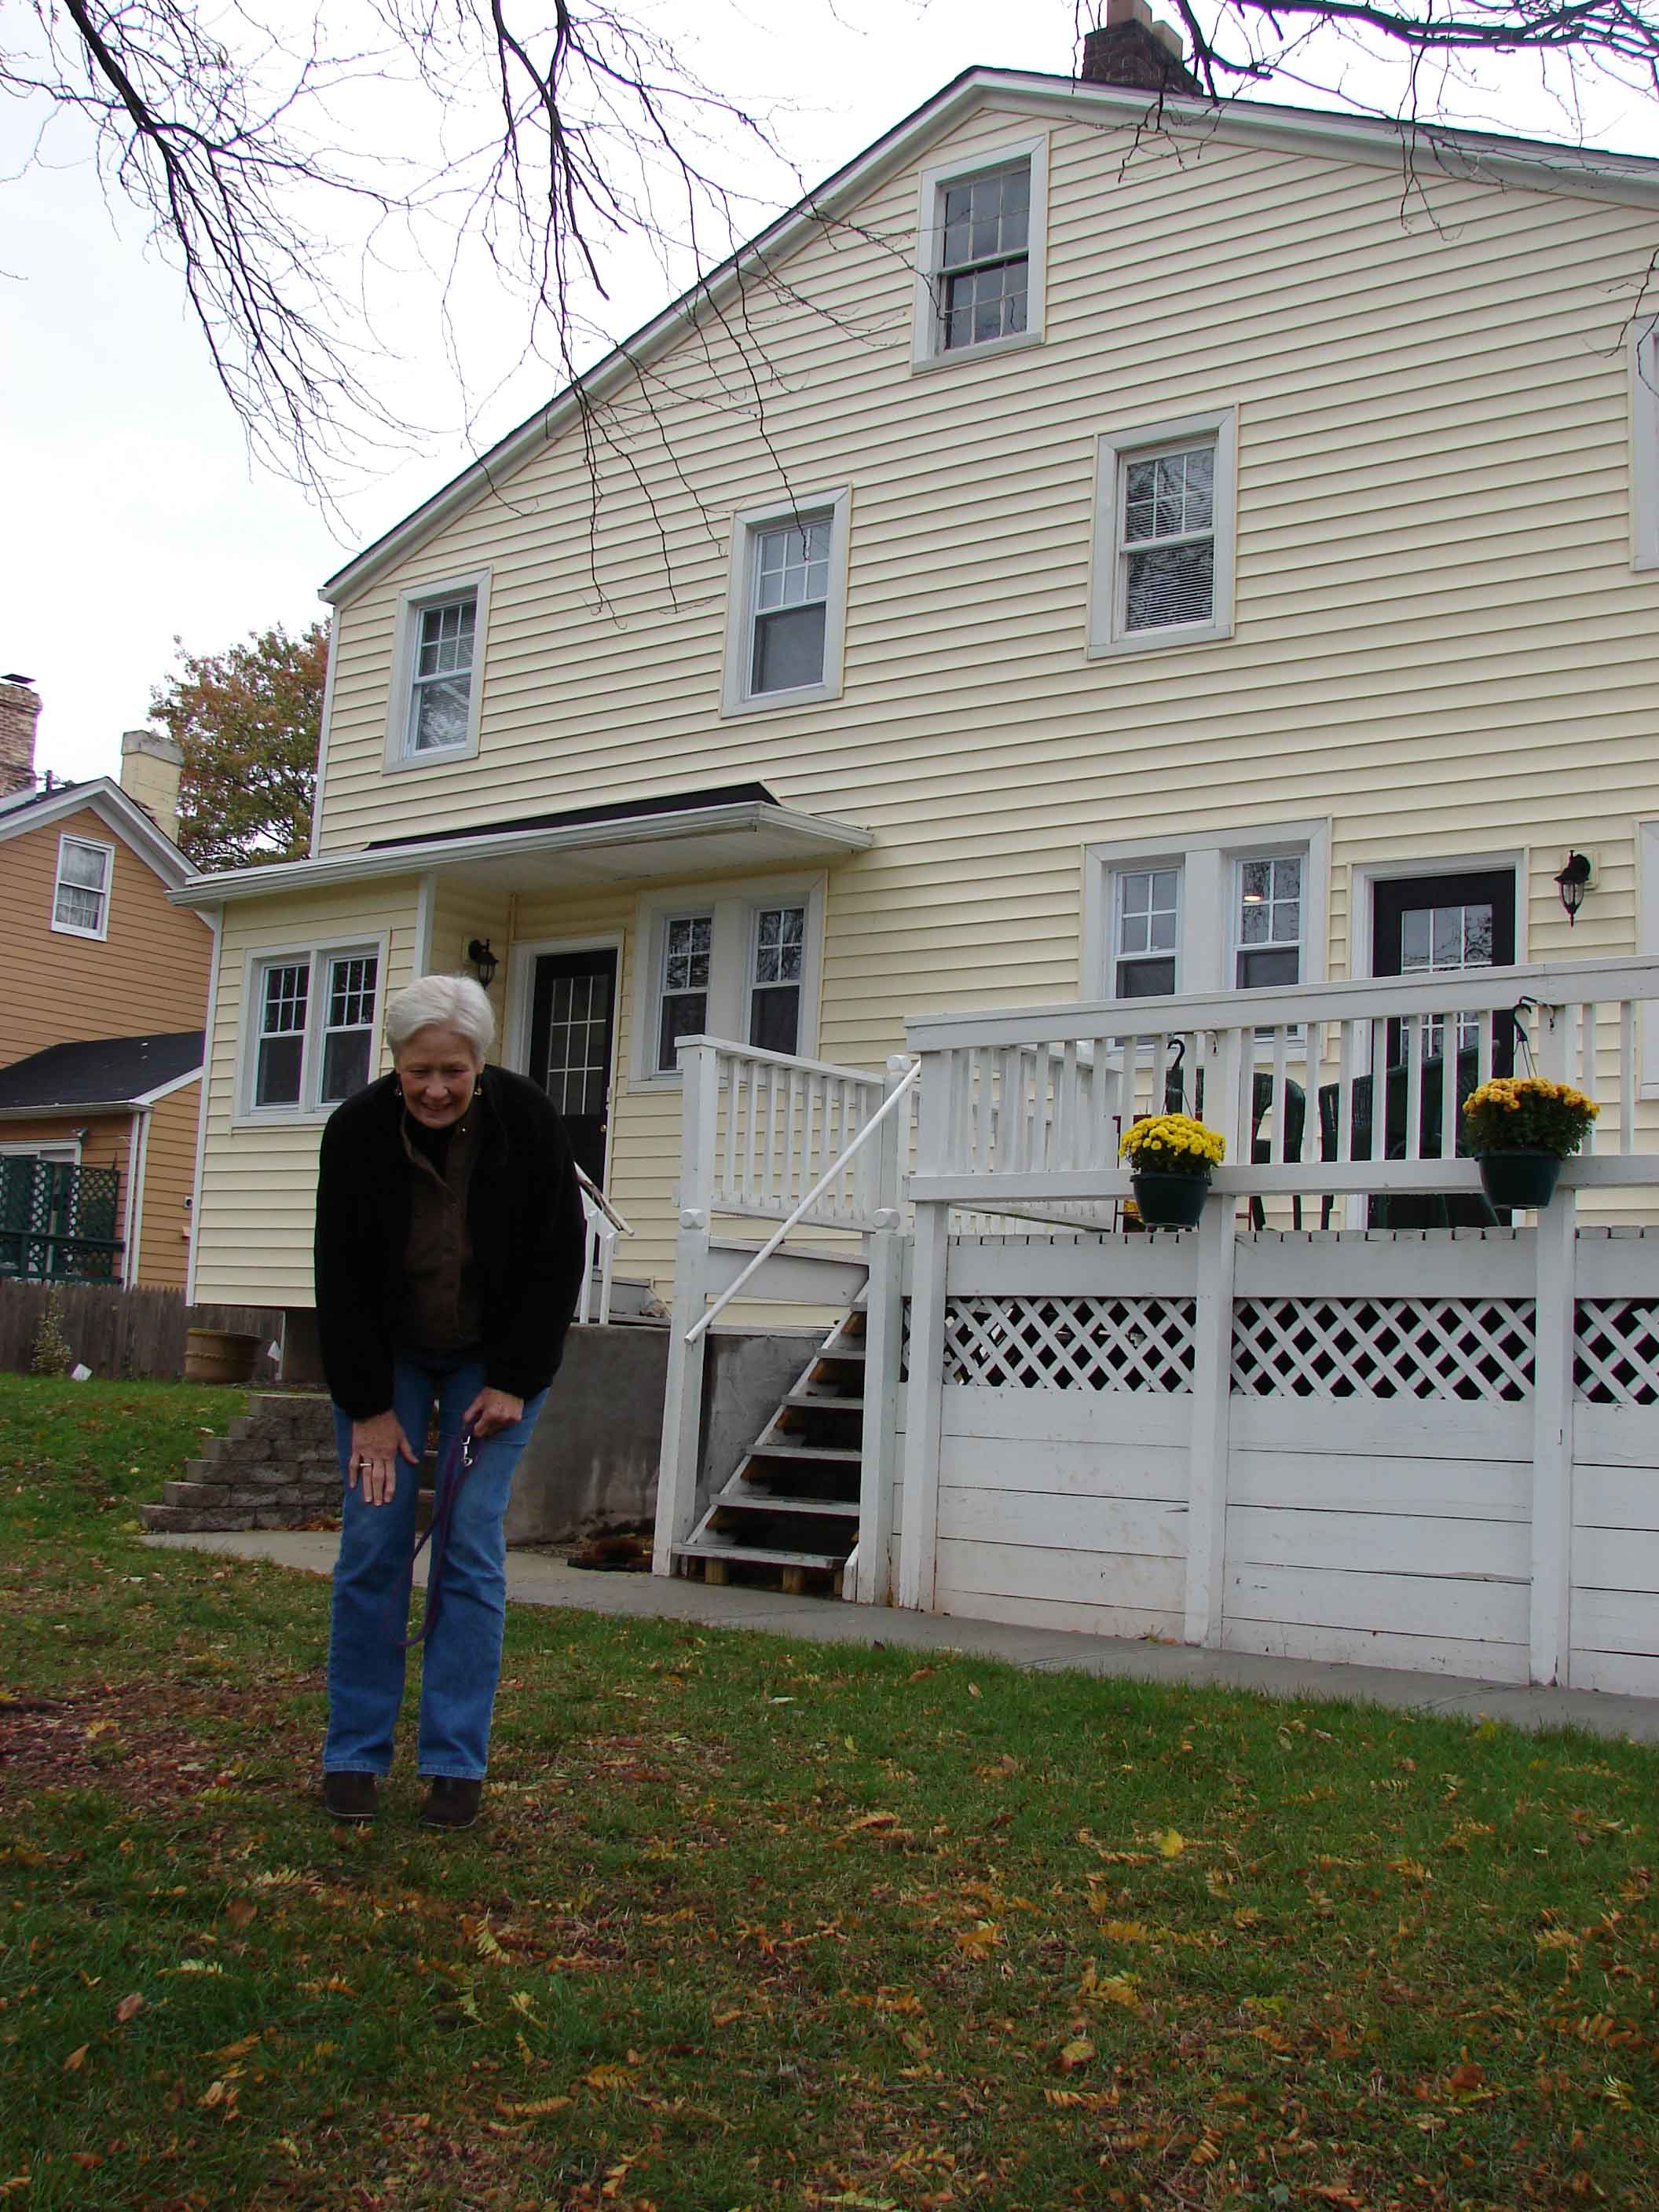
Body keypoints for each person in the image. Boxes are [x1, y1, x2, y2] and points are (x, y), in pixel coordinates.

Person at [313, 972, 587, 1829]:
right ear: (395, 1063)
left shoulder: (530, 1121)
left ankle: (454, 1763)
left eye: (454, 1071)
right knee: (373, 1542)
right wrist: (367, 1407)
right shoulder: (356, 1131)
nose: (435, 1088)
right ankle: (354, 1752)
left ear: (480, 1062)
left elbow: (557, 1259)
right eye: (419, 1070)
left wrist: (514, 1378)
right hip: (386, 1360)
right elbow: (341, 1277)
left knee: (468, 1548)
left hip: (491, 1365)